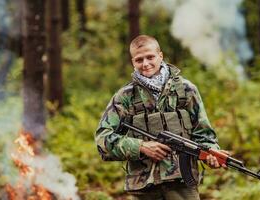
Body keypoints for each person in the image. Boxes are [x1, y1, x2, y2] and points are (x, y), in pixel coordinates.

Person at [95, 35, 228, 200]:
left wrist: (210, 152)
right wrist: (141, 146)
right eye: (139, 60)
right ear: (133, 62)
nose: (145, 64)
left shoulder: (186, 90)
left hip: (182, 186)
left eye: (150, 57)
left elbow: (203, 133)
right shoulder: (125, 97)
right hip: (145, 189)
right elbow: (103, 140)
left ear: (160, 56)